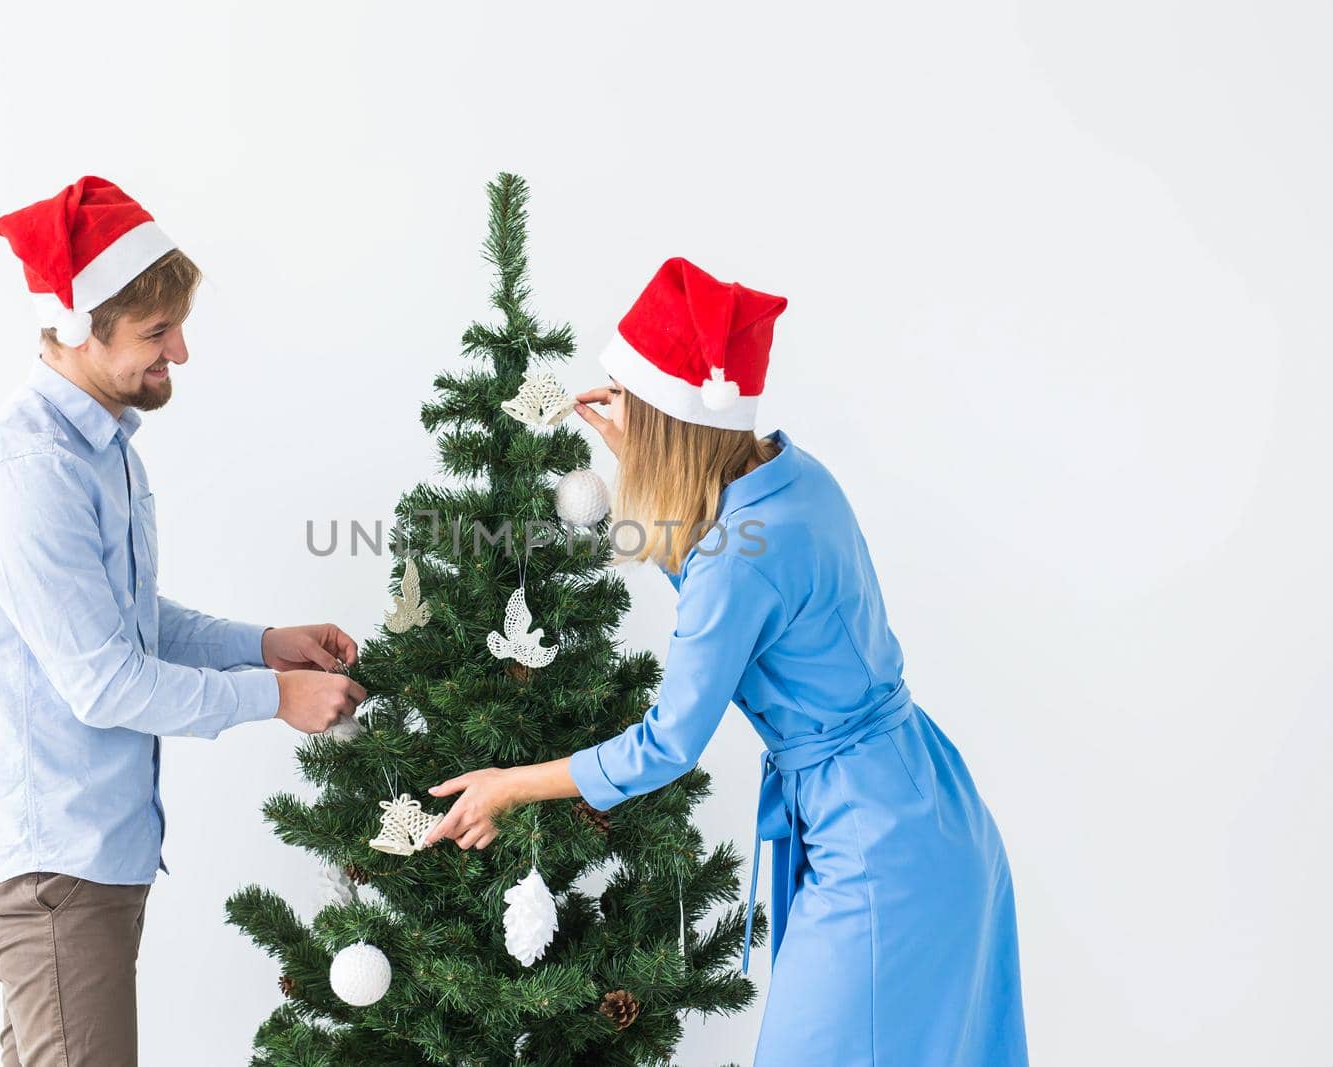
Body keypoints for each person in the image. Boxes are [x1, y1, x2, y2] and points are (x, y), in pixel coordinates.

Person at [423, 257, 1028, 1065]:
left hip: (878, 849)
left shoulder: (735, 561)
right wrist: (644, 460)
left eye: (628, 399)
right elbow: (729, 579)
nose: (615, 411)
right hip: (929, 803)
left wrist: (509, 782)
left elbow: (667, 741)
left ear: (668, 422)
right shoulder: (790, 473)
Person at [0, 175, 366, 1066]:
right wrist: (274, 695)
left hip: (86, 853)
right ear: (82, 326)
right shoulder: (32, 476)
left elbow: (126, 622)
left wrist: (262, 644)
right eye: (157, 334)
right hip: (53, 861)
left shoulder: (98, 450)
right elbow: (106, 681)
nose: (182, 353)